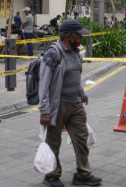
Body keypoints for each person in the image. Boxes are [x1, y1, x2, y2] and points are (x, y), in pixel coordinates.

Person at [39, 20, 101, 187]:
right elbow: (44, 84)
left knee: (81, 139)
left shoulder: (76, 53)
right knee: (54, 142)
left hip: (75, 104)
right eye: (79, 35)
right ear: (69, 36)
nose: (81, 38)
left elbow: (74, 76)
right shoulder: (53, 54)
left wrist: (81, 93)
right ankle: (51, 176)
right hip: (57, 105)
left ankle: (83, 174)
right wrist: (44, 110)